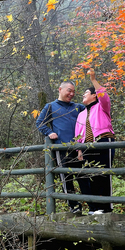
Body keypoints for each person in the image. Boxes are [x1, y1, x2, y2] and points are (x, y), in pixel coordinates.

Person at [35, 81, 85, 213]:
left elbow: (91, 118)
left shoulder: (78, 107)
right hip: (62, 148)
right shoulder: (51, 106)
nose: (72, 94)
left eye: (73, 91)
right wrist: (49, 132)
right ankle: (73, 206)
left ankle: (92, 205)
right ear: (60, 89)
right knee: (66, 178)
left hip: (80, 147)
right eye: (69, 90)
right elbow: (39, 123)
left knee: (83, 176)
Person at [74, 69, 115, 214]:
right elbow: (78, 134)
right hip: (87, 146)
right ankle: (94, 207)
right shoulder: (81, 114)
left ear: (93, 95)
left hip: (103, 140)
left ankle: (105, 208)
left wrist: (93, 80)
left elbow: (104, 96)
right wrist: (79, 150)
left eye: (86, 93)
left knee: (103, 174)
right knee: (91, 175)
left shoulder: (102, 107)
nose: (83, 95)